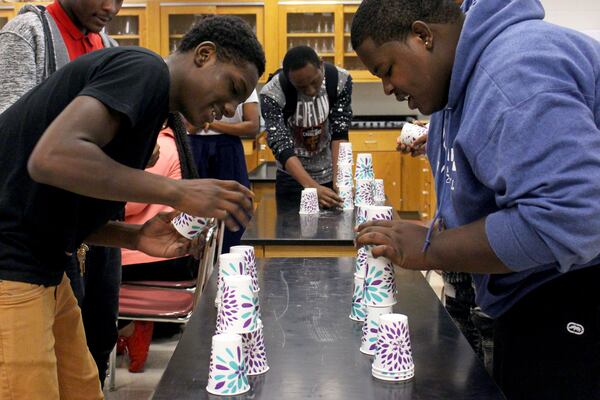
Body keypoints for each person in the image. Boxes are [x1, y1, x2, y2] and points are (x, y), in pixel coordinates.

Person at [0, 14, 264, 399]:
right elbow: (50, 158)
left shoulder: (153, 114)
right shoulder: (144, 69)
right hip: (11, 265)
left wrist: (135, 236)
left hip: (46, 264)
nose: (227, 109)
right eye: (232, 88)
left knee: (83, 389)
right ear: (204, 56)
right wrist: (177, 193)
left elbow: (52, 202)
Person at [351, 0, 600, 399]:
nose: (387, 88)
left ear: (422, 36)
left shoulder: (513, 72)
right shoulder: (455, 87)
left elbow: (571, 218)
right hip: (530, 294)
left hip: (574, 295)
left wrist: (433, 249)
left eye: (386, 69)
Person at [0, 0, 122, 385]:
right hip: (43, 231)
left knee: (98, 337)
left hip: (96, 225)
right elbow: (14, 137)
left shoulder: (108, 46)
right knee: (45, 361)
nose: (111, 7)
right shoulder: (27, 34)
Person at [118, 114, 199, 373]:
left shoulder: (160, 147)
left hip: (151, 258)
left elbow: (129, 203)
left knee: (88, 271)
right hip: (161, 257)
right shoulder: (172, 141)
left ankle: (128, 327)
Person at [260, 45, 352, 209]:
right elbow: (281, 145)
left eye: (314, 82)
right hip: (293, 180)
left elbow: (340, 132)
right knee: (291, 233)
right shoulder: (272, 93)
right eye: (301, 87)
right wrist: (311, 186)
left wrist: (340, 180)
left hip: (330, 174)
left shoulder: (339, 80)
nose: (310, 91)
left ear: (321, 65)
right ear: (289, 79)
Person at [188, 89, 260, 252]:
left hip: (228, 147)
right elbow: (190, 126)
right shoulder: (196, 81)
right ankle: (191, 263)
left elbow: (252, 126)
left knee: (235, 206)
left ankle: (233, 257)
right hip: (195, 146)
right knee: (194, 206)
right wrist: (228, 126)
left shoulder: (243, 82)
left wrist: (212, 123)